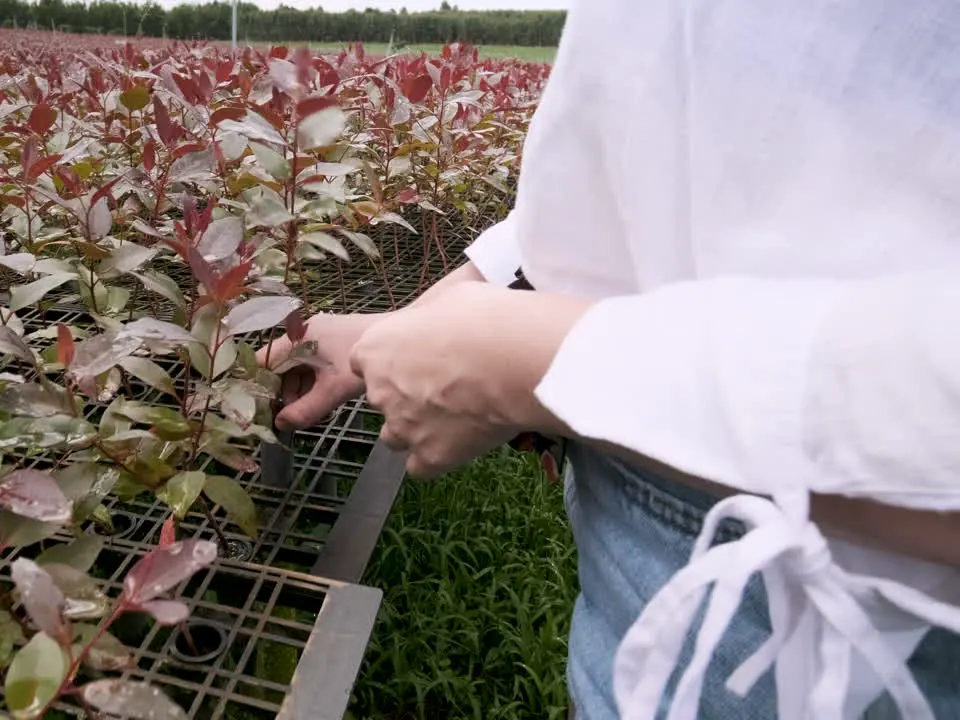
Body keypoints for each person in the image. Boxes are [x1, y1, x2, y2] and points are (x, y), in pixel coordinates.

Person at [258, 0, 960, 718]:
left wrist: (528, 365)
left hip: (848, 597)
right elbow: (679, 139)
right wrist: (427, 320)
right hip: (668, 484)